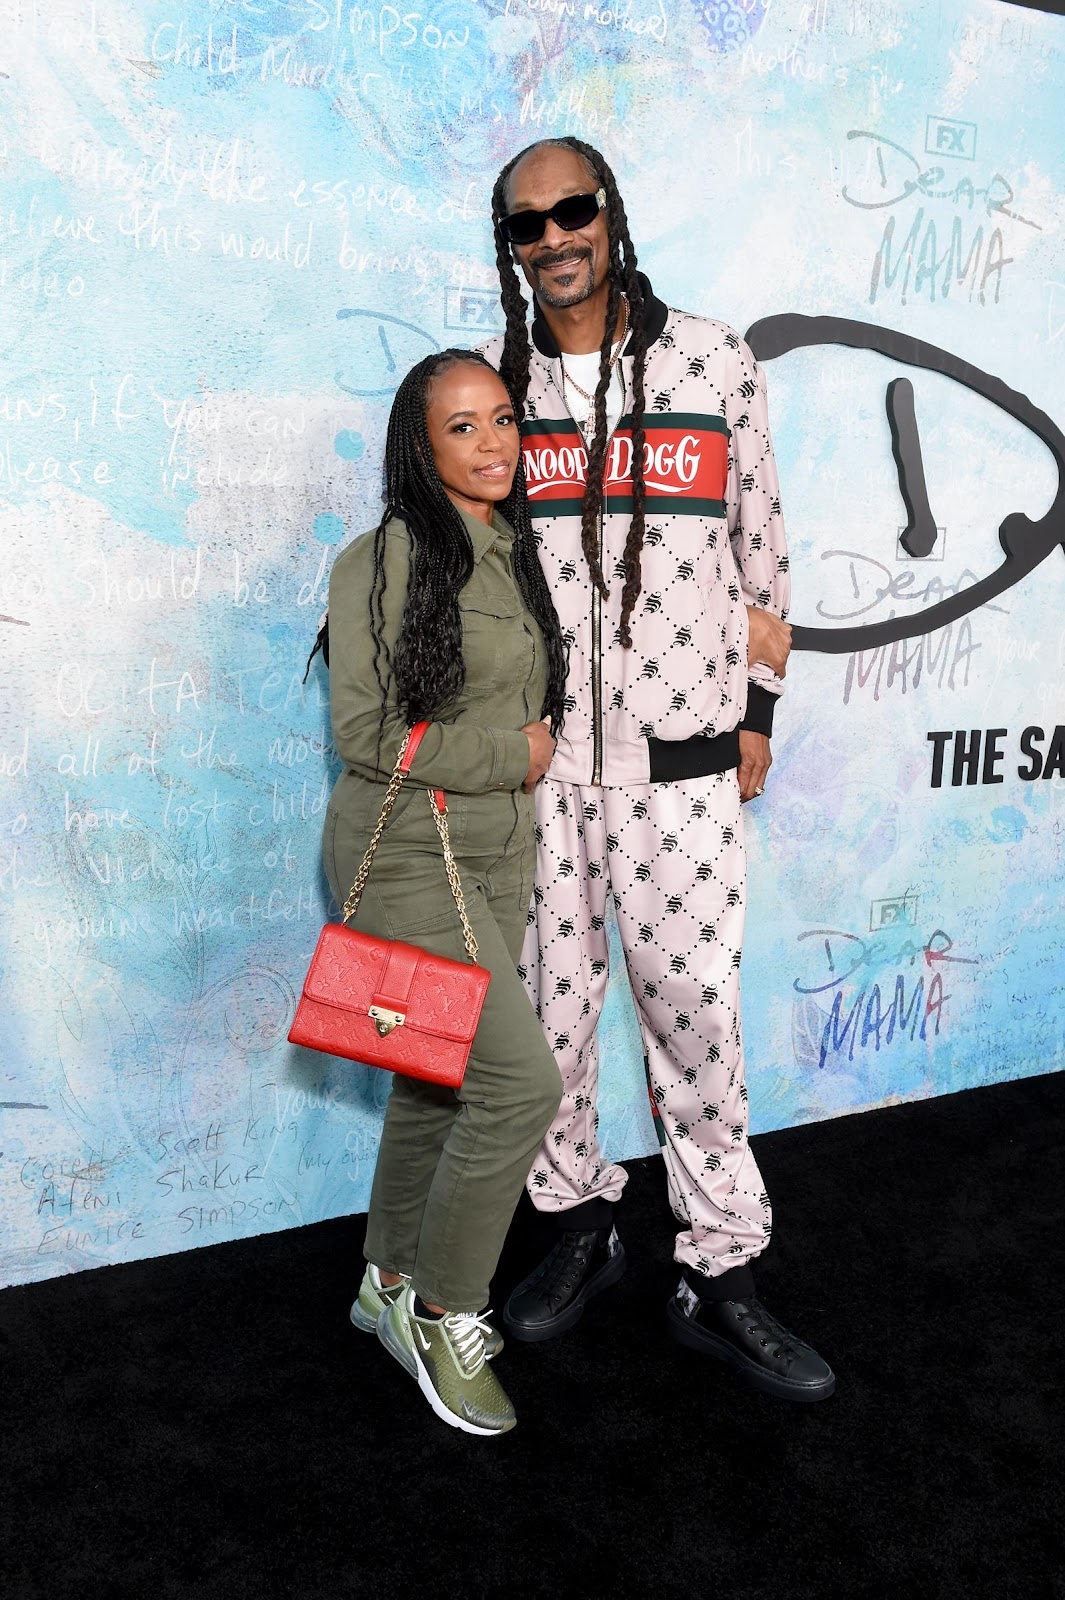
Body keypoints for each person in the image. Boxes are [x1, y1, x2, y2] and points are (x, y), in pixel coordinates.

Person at [480, 137, 835, 1401]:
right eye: (527, 224)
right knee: (550, 1024)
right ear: (510, 246)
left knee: (695, 1016)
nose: (554, 237)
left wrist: (758, 714)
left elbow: (765, 550)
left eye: (572, 210)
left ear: (609, 214)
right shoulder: (499, 388)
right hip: (542, 777)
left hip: (681, 767)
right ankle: (580, 1226)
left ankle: (721, 1273)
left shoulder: (711, 361)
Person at [319, 349, 567, 1435]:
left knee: (432, 1079)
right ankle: (443, 1309)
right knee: (517, 1088)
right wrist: (514, 755)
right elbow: (369, 733)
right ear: (421, 448)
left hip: (496, 857)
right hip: (413, 860)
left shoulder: (516, 553)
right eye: (462, 427)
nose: (493, 442)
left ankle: (383, 1282)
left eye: (503, 418)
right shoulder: (382, 558)